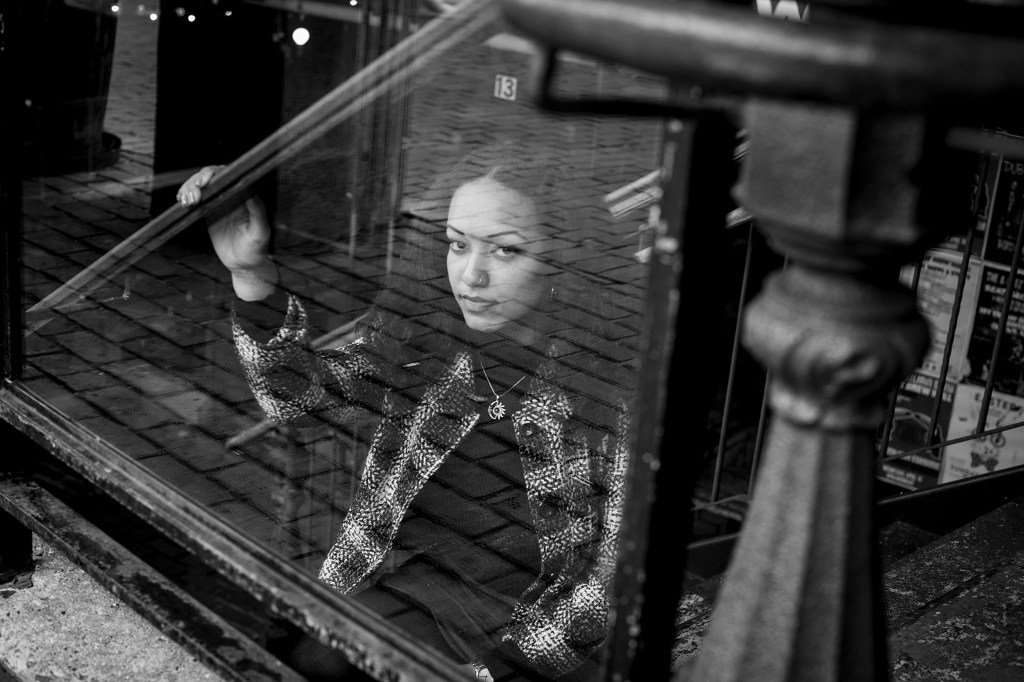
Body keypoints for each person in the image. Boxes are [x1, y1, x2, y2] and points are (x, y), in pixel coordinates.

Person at [177, 143, 635, 681]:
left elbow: (617, 575)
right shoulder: (422, 341)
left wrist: (500, 671)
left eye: (506, 251)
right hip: (389, 592)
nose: (471, 277)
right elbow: (300, 400)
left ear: (563, 262)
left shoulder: (611, 397)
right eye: (457, 245)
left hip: (523, 635)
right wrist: (252, 274)